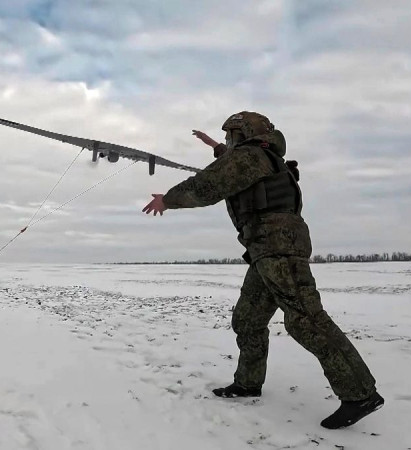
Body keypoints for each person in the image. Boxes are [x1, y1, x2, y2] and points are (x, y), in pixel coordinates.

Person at [142, 112, 384, 429]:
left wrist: (168, 200)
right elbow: (232, 165)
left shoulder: (250, 156)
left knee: (306, 320)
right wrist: (215, 146)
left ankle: (360, 394)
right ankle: (248, 383)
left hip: (278, 246)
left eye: (229, 137)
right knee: (248, 319)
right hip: (265, 248)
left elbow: (209, 185)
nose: (227, 142)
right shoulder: (260, 156)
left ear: (243, 135)